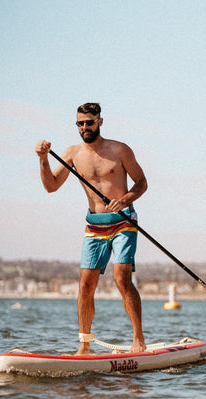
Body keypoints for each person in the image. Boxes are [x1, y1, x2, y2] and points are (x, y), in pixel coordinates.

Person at [35, 103, 148, 355]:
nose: (85, 127)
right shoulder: (73, 153)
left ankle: (138, 339)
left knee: (122, 278)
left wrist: (126, 199)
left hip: (123, 221)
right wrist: (43, 159)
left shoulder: (119, 150)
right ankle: (84, 346)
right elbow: (51, 186)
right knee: (86, 285)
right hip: (94, 225)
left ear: (100, 121)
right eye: (80, 123)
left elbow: (142, 183)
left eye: (90, 122)